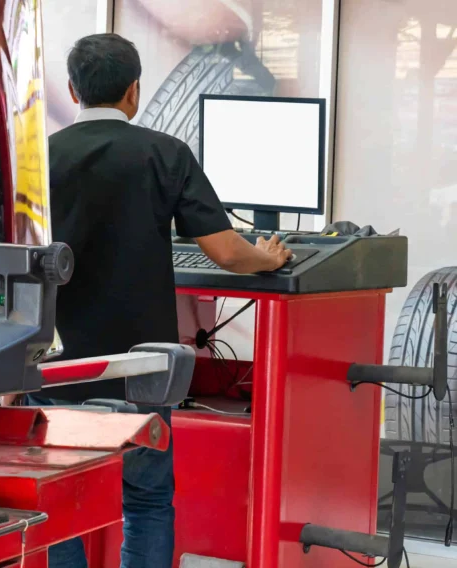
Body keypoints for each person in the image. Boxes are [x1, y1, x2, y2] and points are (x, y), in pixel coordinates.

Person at [14, 33, 291, 568]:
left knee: (60, 505)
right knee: (145, 502)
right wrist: (270, 258)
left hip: (58, 371)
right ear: (134, 91)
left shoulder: (38, 161)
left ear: (73, 90)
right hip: (143, 372)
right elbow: (227, 253)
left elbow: (14, 263)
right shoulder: (165, 154)